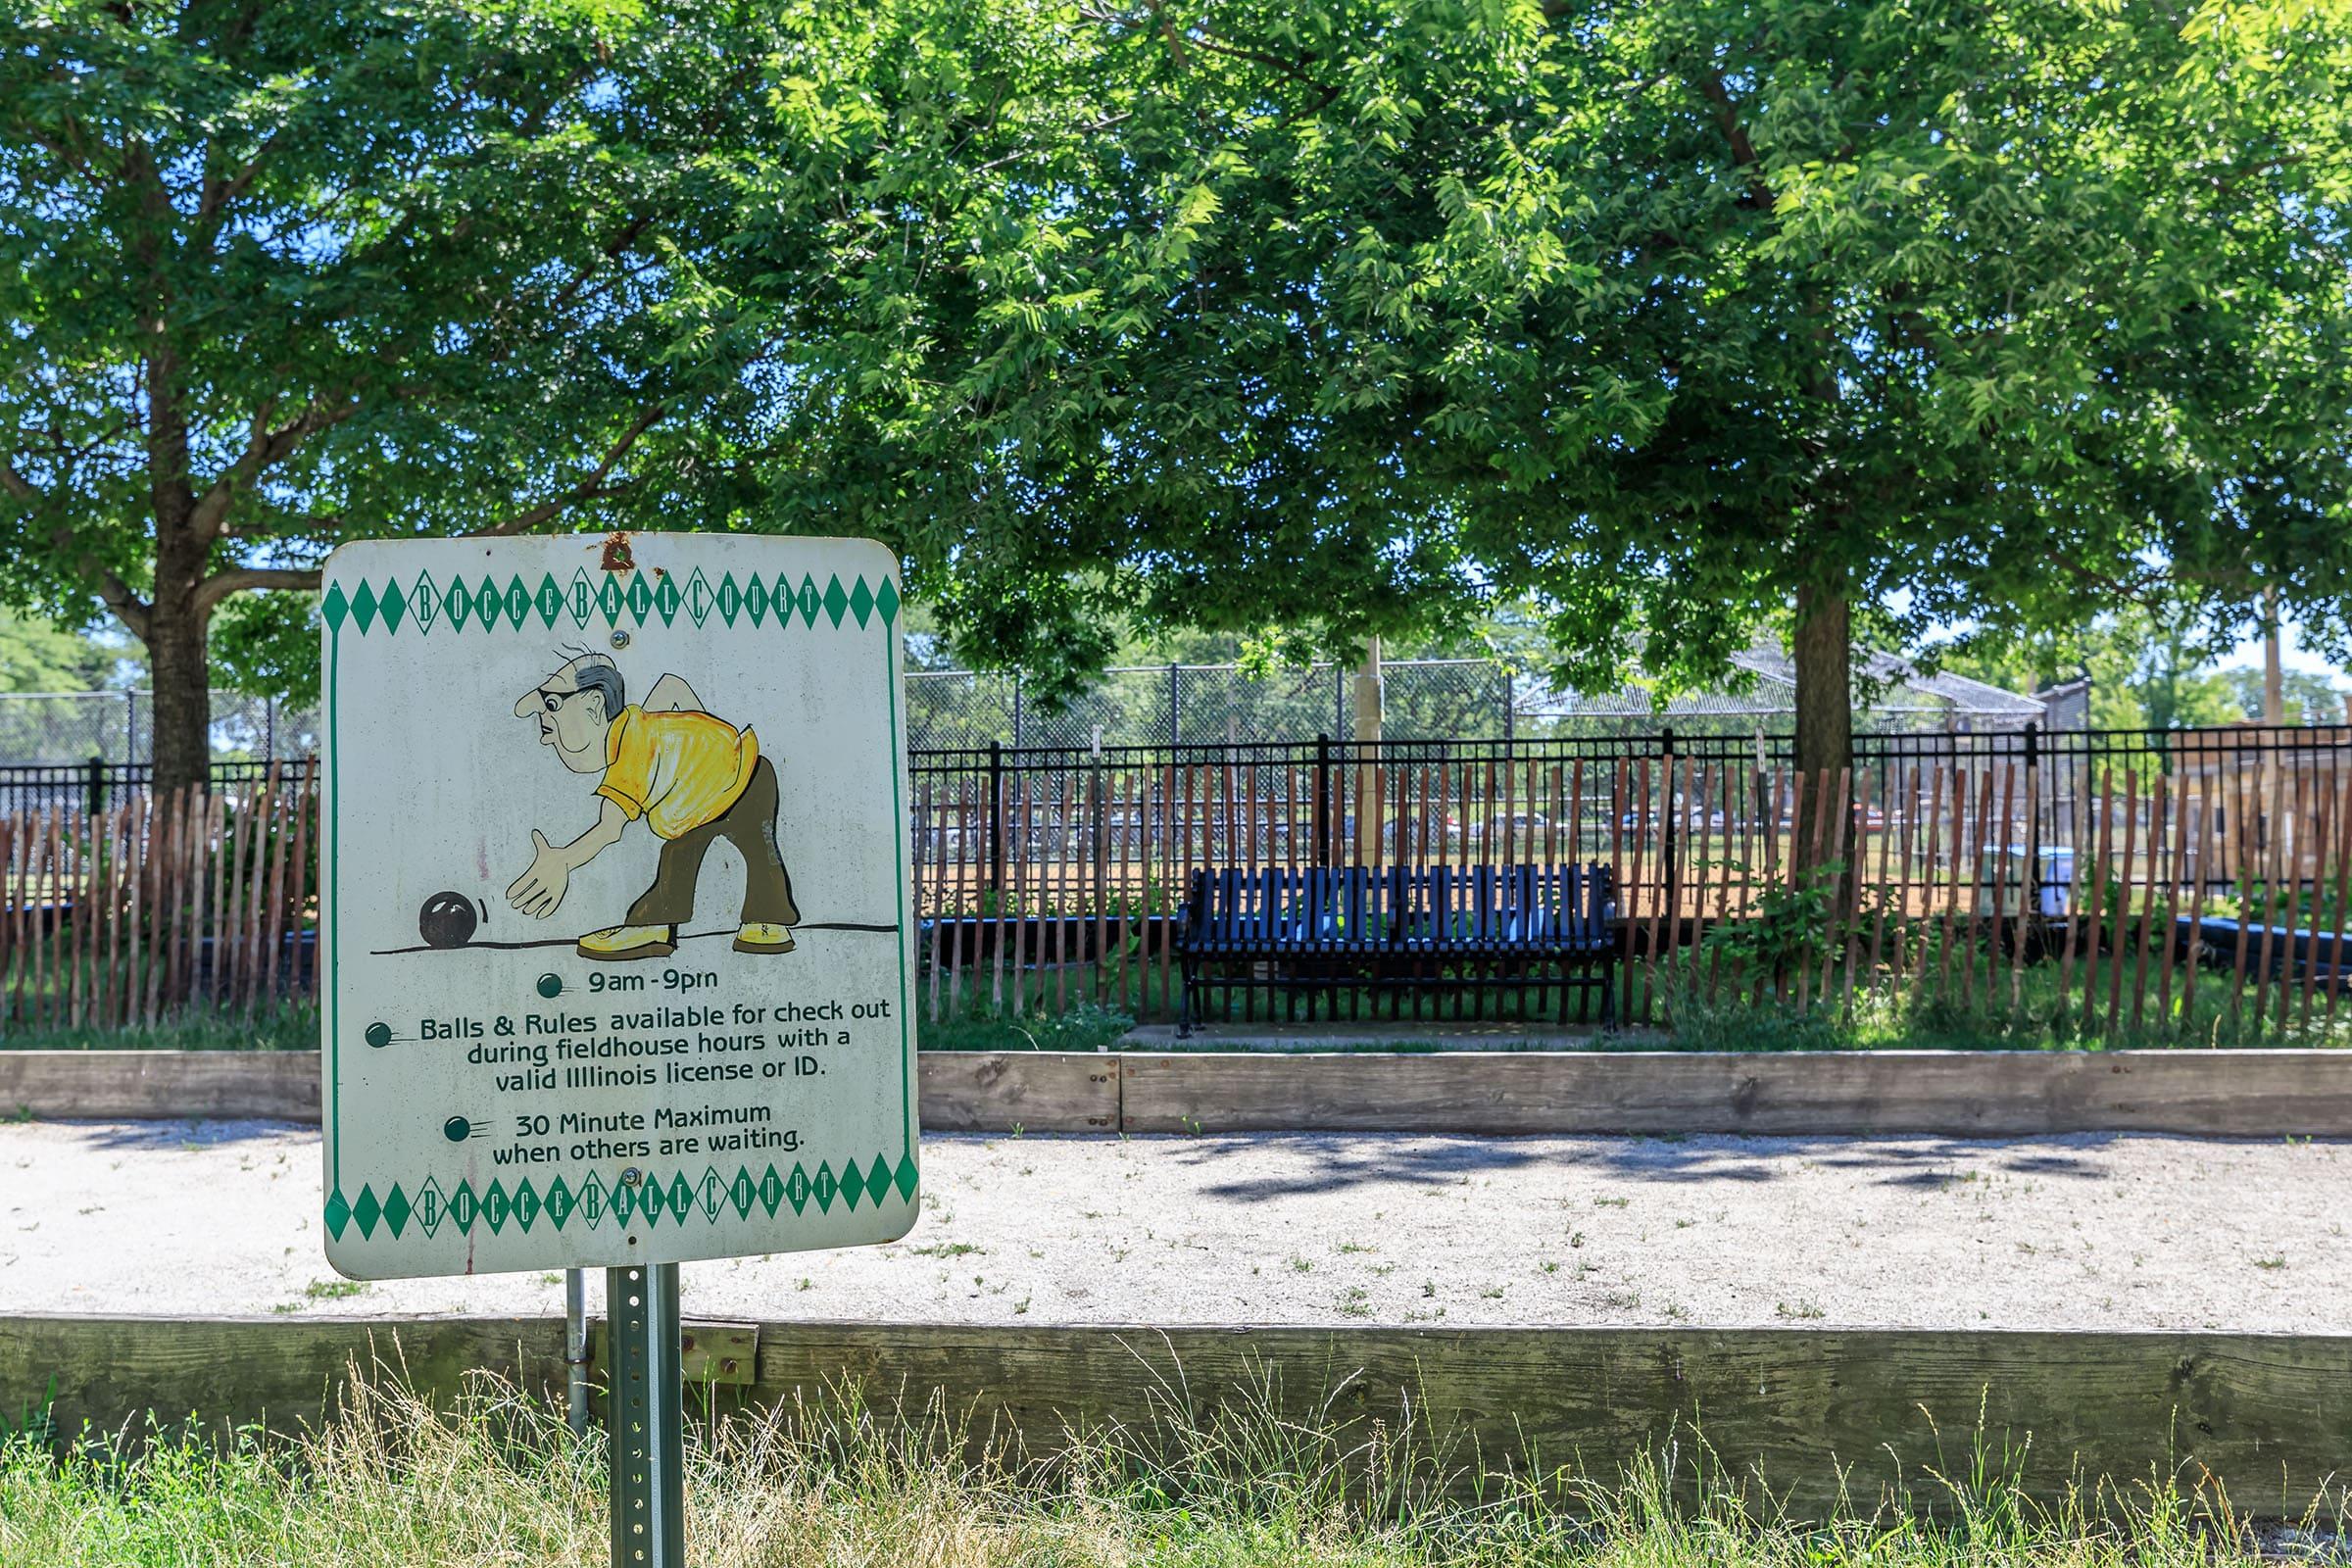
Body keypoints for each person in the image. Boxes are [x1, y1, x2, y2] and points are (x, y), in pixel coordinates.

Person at [505, 651, 799, 960]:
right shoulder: (639, 723)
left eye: (552, 708)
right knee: (682, 852)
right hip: (710, 797)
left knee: (758, 848)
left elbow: (609, 829)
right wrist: (703, 747)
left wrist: (563, 860)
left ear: (594, 705)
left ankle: (765, 920)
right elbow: (672, 686)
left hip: (746, 777)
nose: (546, 737)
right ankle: (659, 926)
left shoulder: (630, 755)